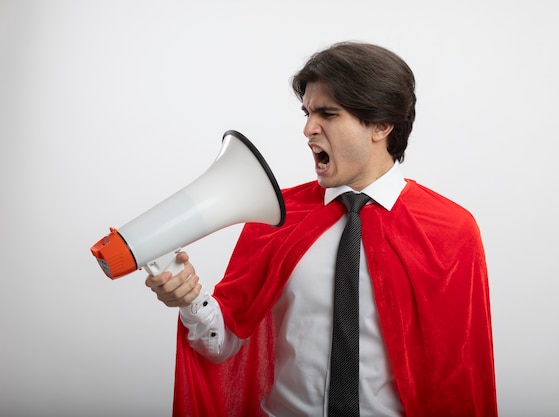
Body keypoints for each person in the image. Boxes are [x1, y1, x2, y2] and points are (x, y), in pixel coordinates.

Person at [146, 41, 498, 417]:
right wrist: (190, 301)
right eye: (308, 112)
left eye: (327, 114)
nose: (308, 129)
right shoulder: (276, 216)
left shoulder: (450, 230)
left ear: (381, 125)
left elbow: (463, 376)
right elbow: (224, 342)